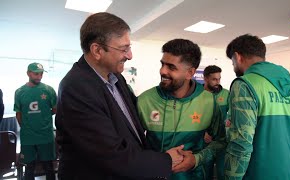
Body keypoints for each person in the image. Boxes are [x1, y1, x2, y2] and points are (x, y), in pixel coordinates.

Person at [55, 12, 183, 180]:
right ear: (97, 50)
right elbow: (111, 156)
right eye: (124, 49)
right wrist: (166, 160)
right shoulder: (77, 88)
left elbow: (132, 122)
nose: (130, 55)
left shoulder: (116, 77)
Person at [137, 39, 226, 180]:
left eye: (171, 67)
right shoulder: (144, 100)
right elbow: (131, 147)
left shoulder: (208, 101)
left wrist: (197, 159)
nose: (162, 71)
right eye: (162, 64)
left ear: (190, 73)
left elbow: (221, 141)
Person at [224, 34, 290, 179]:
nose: (234, 66)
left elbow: (241, 144)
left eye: (232, 62)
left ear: (238, 57)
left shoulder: (244, 84)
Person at [14, 62, 57, 180]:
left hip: (46, 135)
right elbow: (18, 113)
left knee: (49, 167)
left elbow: (55, 109)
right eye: (36, 74)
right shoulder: (19, 92)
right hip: (28, 137)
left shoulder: (49, 90)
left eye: (41, 74)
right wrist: (27, 126)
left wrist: (43, 118)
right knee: (29, 168)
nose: (39, 76)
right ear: (28, 73)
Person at [203, 65, 229, 180]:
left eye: (219, 79)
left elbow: (233, 115)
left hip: (223, 142)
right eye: (214, 79)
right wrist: (202, 133)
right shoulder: (198, 96)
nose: (217, 82)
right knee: (205, 174)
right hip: (204, 143)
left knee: (222, 174)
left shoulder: (226, 94)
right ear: (205, 79)